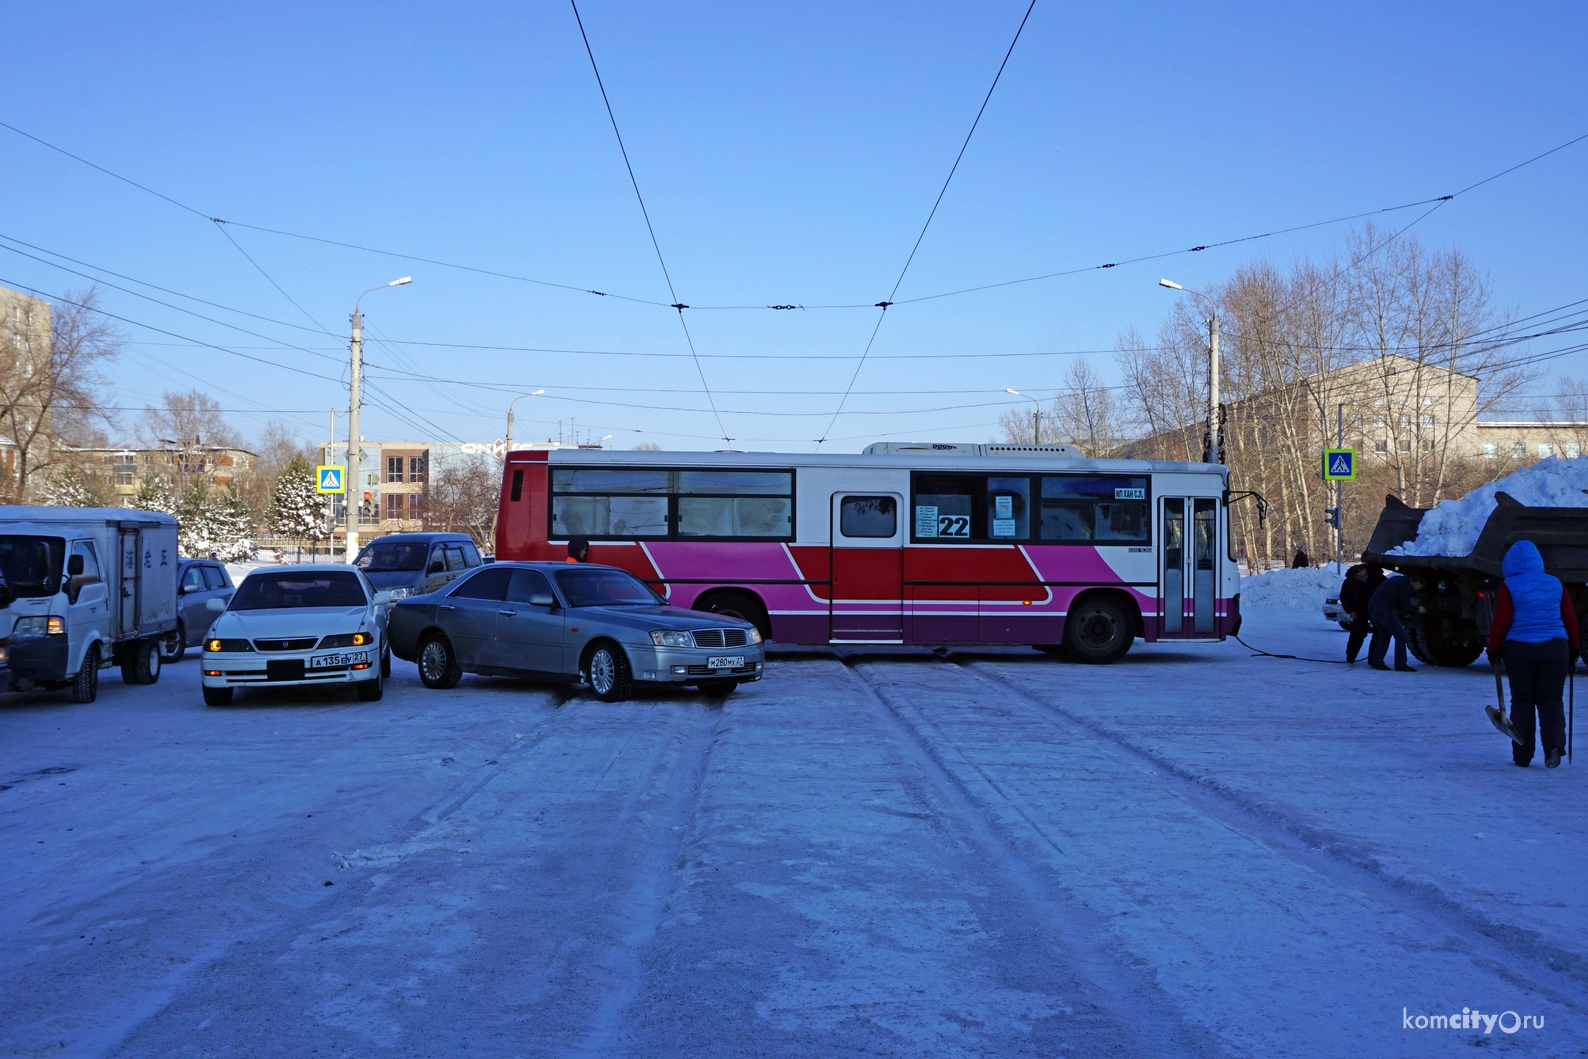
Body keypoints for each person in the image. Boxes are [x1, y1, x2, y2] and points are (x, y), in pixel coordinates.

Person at [1486, 540, 1579, 769]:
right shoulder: (1555, 583)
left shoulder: (1510, 585)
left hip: (1520, 649)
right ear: (1538, 560)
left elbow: (1501, 622)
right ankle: (1554, 747)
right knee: (1551, 700)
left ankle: (1523, 755)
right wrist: (1574, 649)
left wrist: (1492, 648)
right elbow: (1570, 619)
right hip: (1556, 648)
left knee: (1522, 700)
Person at [1367, 570, 1425, 671]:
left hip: (1373, 607)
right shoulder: (1406, 586)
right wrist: (1418, 609)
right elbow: (1405, 605)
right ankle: (1400, 664)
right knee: (1400, 635)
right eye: (1421, 586)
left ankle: (1377, 661)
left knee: (1384, 634)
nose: (1419, 589)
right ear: (1416, 582)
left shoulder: (1398, 580)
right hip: (1383, 609)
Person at [1339, 562, 1386, 663]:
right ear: (1355, 577)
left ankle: (1374, 658)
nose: (1364, 578)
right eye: (1361, 577)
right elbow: (1344, 597)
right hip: (1359, 609)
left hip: (1376, 608)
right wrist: (1350, 611)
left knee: (1379, 632)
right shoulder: (1349, 582)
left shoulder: (1378, 578)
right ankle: (1351, 656)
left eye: (1365, 575)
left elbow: (1387, 593)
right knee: (1358, 632)